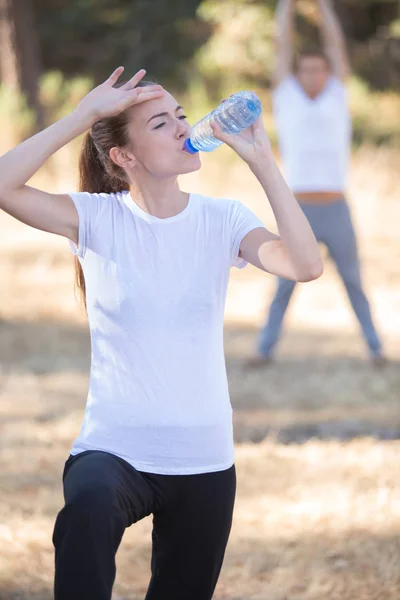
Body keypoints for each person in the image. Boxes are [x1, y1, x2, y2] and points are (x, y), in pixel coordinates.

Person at [0, 67, 322, 600]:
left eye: (180, 115)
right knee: (88, 507)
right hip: (113, 450)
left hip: (204, 460)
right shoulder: (95, 218)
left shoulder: (224, 220)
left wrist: (263, 161)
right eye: (160, 123)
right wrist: (82, 117)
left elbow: (305, 265)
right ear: (124, 156)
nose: (182, 128)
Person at [248, 0, 385, 368]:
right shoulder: (287, 98)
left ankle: (376, 351)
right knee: (284, 284)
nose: (312, 75)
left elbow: (336, 46)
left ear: (327, 73)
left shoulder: (337, 95)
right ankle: (264, 352)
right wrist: (286, 7)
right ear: (298, 74)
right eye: (305, 70)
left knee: (354, 282)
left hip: (336, 206)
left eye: (318, 70)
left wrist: (322, 6)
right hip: (299, 208)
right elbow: (281, 46)